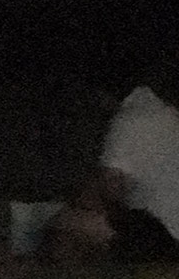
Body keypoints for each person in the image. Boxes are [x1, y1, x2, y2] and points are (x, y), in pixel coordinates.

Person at [72, 77, 179, 261]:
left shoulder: (130, 119)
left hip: (162, 236)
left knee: (72, 224)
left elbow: (110, 185)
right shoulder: (166, 114)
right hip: (161, 230)